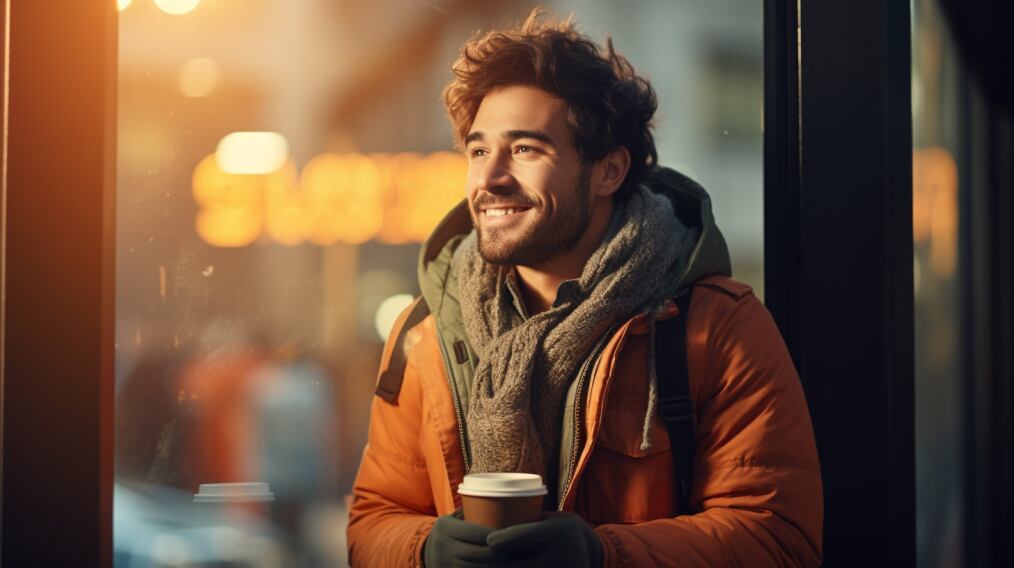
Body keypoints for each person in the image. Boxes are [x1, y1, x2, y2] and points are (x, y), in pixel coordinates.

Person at [348, 9, 822, 567]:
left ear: (608, 171)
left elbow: (779, 539)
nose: (490, 177)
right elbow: (373, 517)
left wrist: (603, 557)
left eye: (525, 148)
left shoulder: (718, 326)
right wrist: (423, 550)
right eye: (478, 150)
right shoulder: (424, 334)